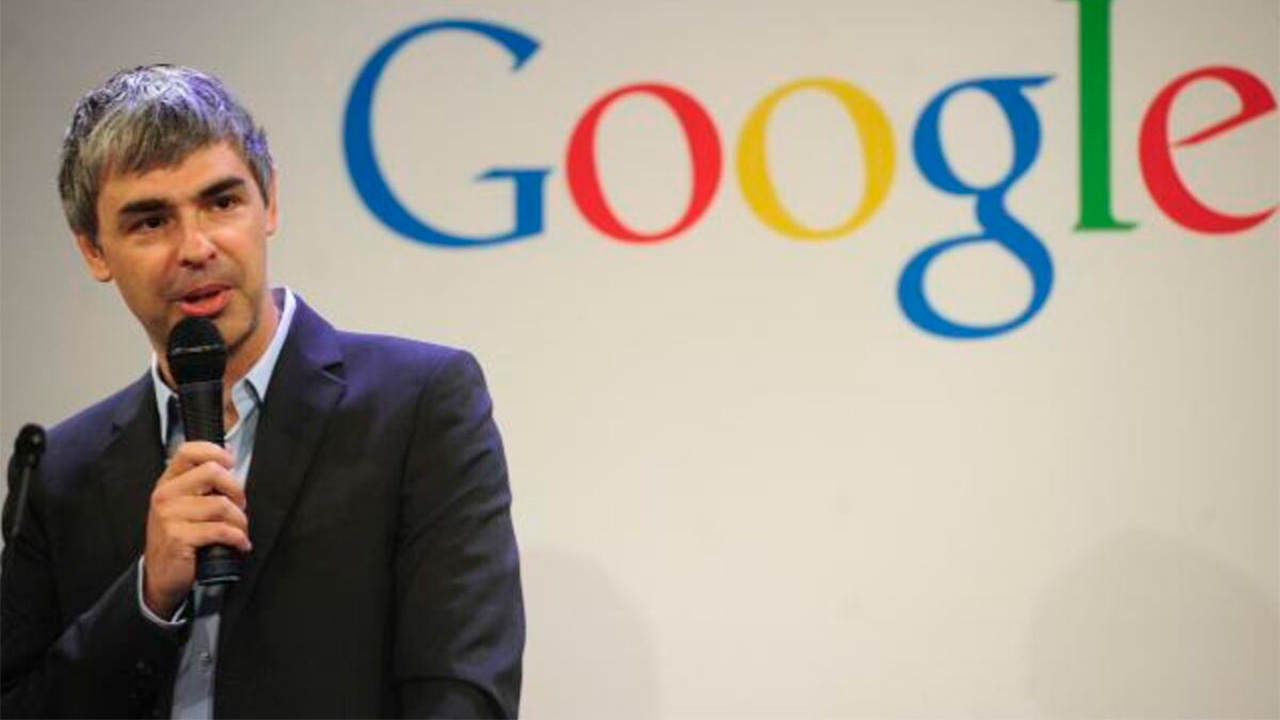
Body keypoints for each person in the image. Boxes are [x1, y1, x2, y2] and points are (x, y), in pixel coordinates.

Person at [0, 64, 524, 718]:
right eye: (151, 221)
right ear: (93, 251)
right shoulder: (58, 473)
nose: (196, 247)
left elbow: (462, 689)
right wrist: (146, 597)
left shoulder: (418, 406)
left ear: (269, 201)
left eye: (222, 202)